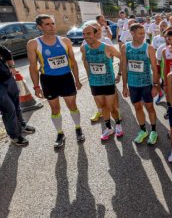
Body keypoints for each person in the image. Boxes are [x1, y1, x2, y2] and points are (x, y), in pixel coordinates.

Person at [28, 14, 84, 148]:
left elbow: (73, 62)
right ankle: (60, 133)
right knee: (55, 108)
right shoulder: (33, 43)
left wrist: (77, 79)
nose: (51, 26)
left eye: (52, 23)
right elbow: (33, 67)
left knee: (72, 106)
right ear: (39, 27)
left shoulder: (65, 41)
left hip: (66, 78)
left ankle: (78, 128)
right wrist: (36, 87)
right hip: (48, 80)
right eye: (47, 24)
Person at [81, 25, 123, 141]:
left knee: (112, 107)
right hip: (95, 83)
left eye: (88, 33)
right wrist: (89, 76)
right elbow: (84, 60)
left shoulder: (107, 47)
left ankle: (118, 125)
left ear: (96, 34)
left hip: (108, 82)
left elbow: (122, 58)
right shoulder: (84, 48)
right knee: (103, 106)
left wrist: (119, 74)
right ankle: (109, 128)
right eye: (83, 34)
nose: (85, 36)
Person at [121, 23, 160, 144]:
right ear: (132, 33)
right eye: (140, 33)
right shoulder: (125, 47)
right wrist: (124, 86)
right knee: (137, 107)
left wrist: (156, 86)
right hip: (133, 85)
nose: (143, 36)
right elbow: (124, 67)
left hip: (146, 84)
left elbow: (154, 68)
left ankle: (153, 131)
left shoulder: (149, 48)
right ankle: (143, 130)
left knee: (149, 107)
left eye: (144, 33)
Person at [0, 46, 35, 146]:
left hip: (8, 78)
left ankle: (22, 125)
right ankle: (14, 136)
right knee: (8, 109)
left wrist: (12, 68)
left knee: (16, 105)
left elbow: (7, 53)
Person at [83, 23, 115, 123]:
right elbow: (84, 59)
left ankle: (115, 112)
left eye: (98, 29)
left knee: (112, 99)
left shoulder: (106, 41)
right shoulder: (85, 43)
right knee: (100, 100)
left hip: (108, 77)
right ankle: (100, 111)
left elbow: (114, 55)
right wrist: (89, 76)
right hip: (95, 79)